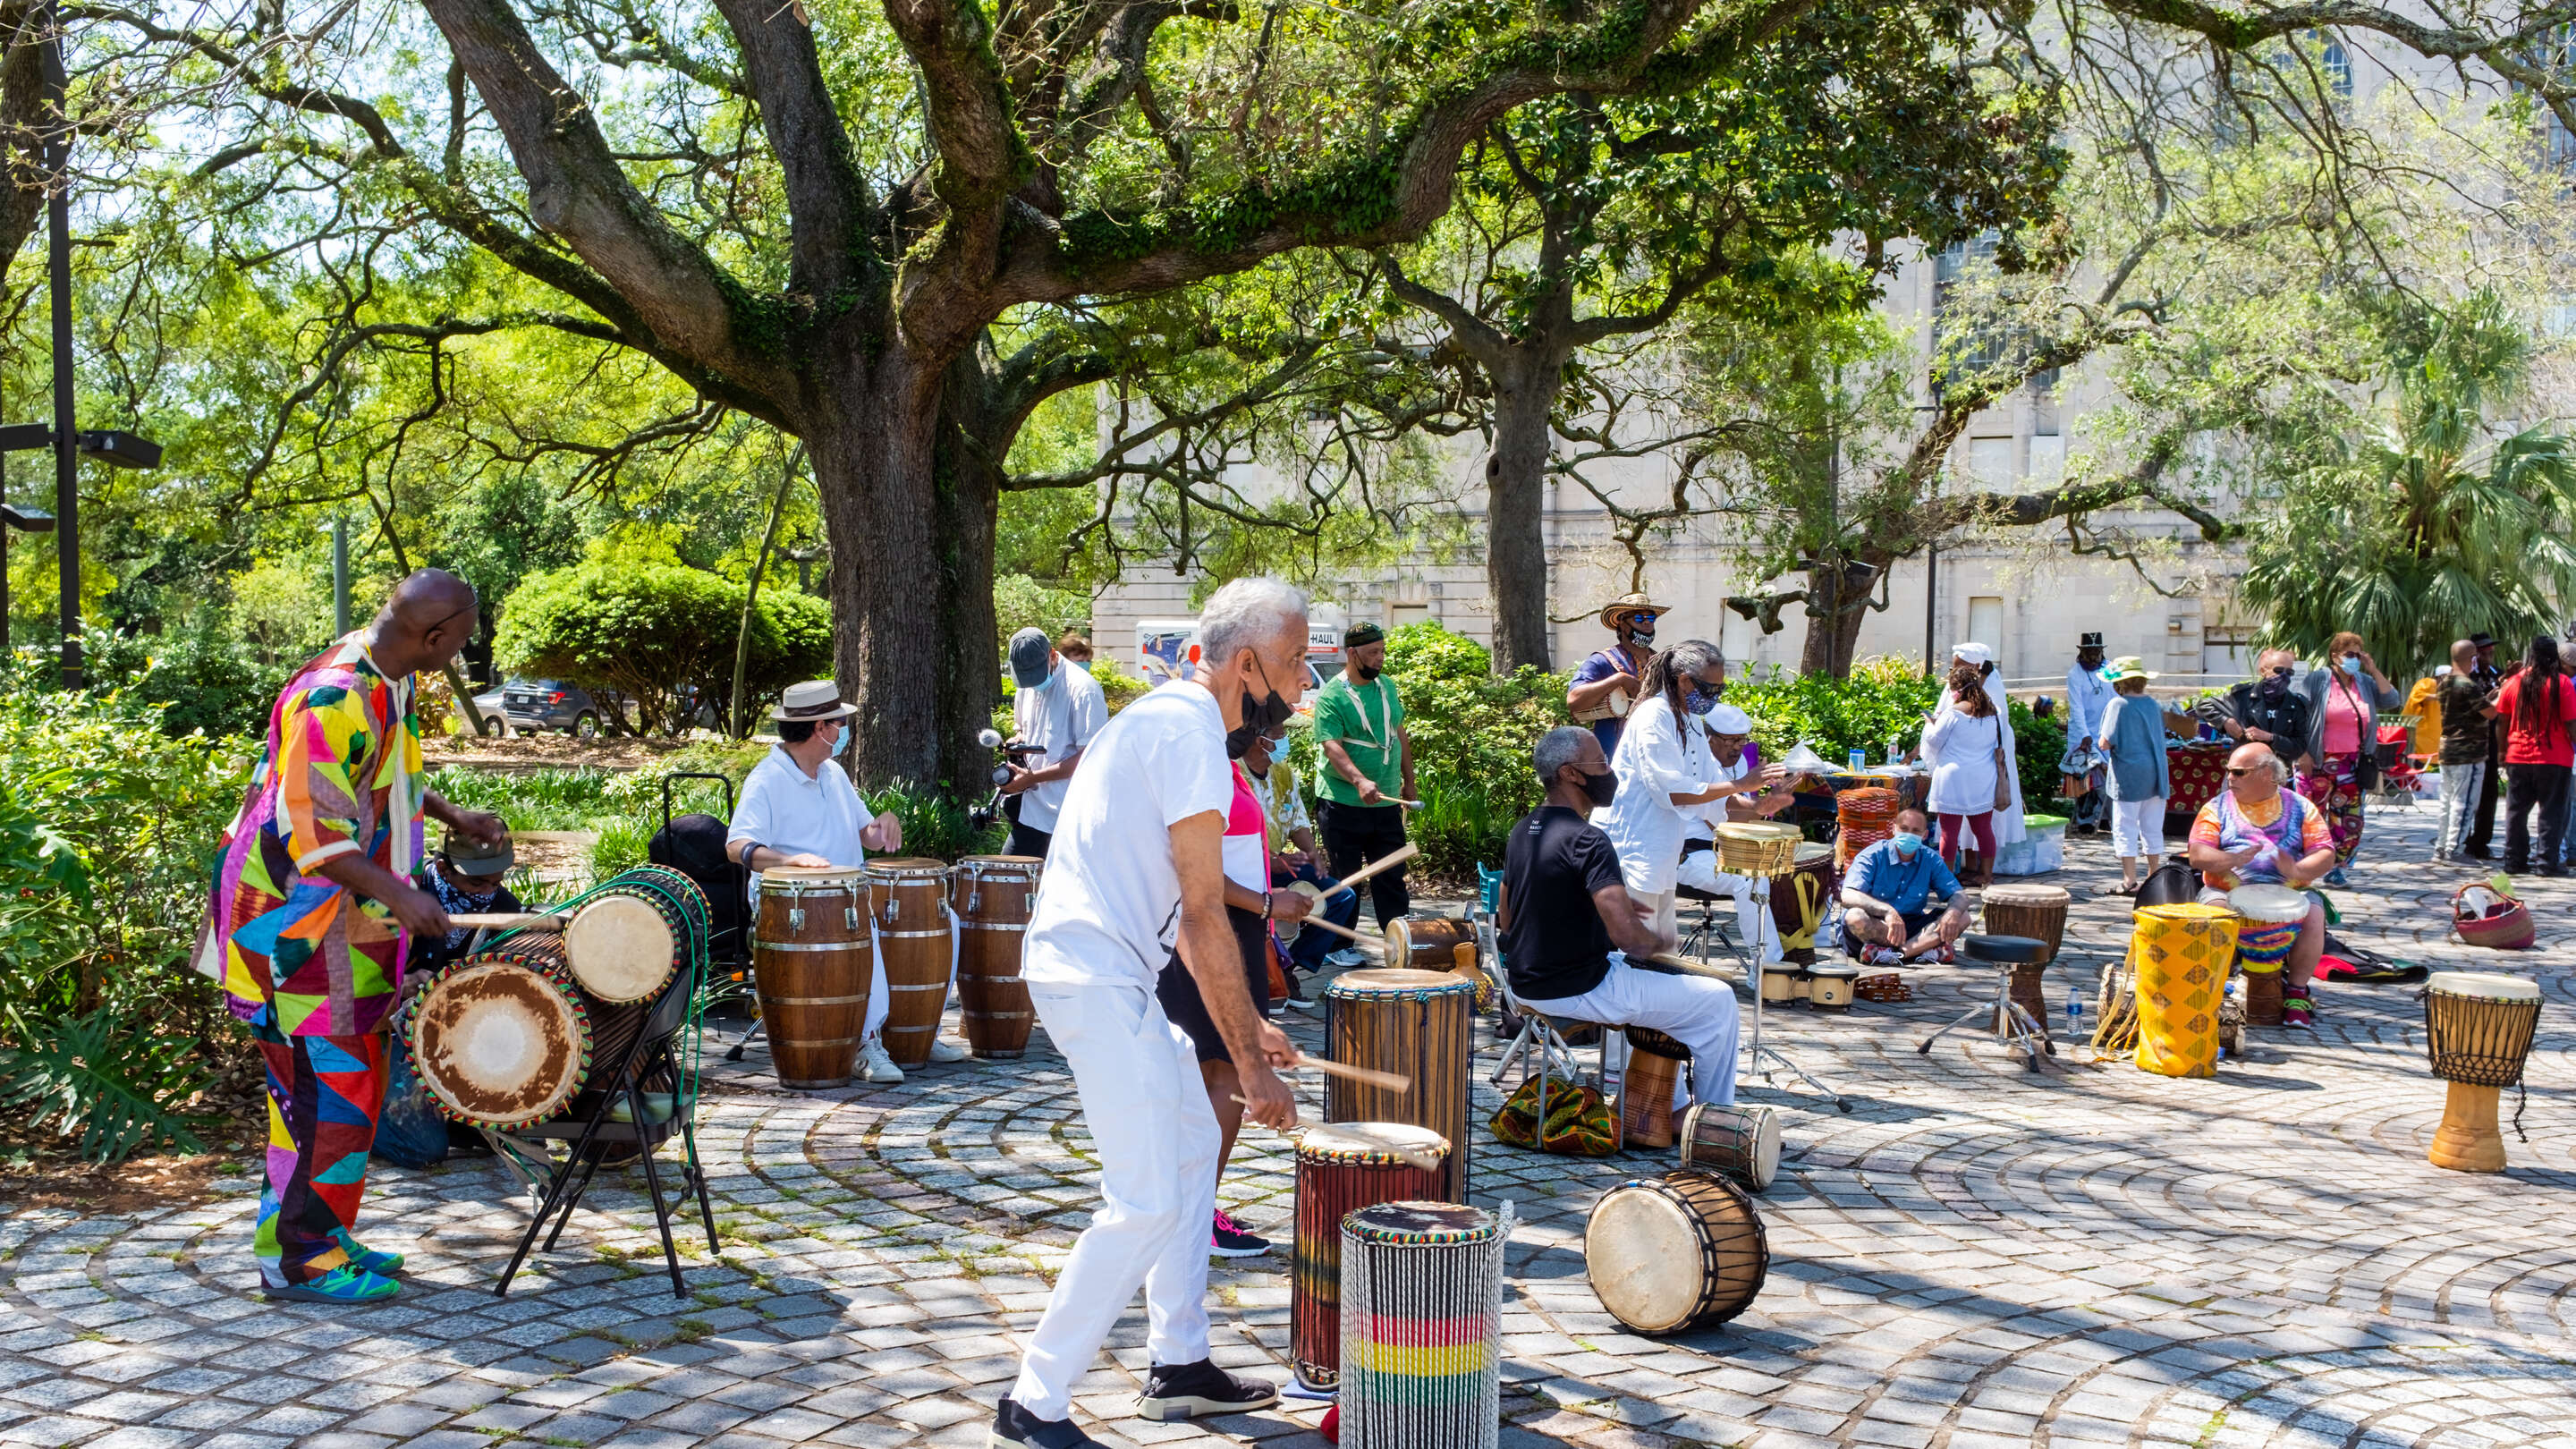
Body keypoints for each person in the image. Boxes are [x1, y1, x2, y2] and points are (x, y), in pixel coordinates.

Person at [993, 578, 1307, 1449]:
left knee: (1194, 1144)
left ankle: (1179, 1364)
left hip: (1111, 973)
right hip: (1094, 978)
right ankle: (1032, 1405)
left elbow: (1175, 905)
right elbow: (1204, 913)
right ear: (1248, 667)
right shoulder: (1189, 734)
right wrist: (1250, 1069)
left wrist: (1250, 1028)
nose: (1302, 683)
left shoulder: (1169, 720)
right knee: (1141, 1201)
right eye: (1294, 662)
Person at [199, 569, 507, 1305]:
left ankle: (324, 1231)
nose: (463, 653)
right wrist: (404, 895)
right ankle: (297, 1258)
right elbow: (314, 835)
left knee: (353, 1086)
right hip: (292, 931)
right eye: (462, 641)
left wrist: (451, 816)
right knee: (323, 1096)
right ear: (434, 635)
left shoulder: (385, 672)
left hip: (346, 922)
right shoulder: (333, 696)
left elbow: (374, 776)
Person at [1500, 726, 1741, 1111]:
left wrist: (1594, 911)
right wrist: (1660, 942)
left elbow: (1508, 916)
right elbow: (1629, 938)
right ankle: (1714, 1120)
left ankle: (1668, 1108)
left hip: (1525, 984)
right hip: (1578, 987)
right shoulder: (1588, 839)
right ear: (1570, 773)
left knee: (1664, 991)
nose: (1610, 771)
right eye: (1601, 762)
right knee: (1717, 1000)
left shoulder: (1524, 830)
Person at [727, 681, 949, 1085]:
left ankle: (917, 1032)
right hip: (795, 904)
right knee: (862, 933)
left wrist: (884, 822)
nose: (845, 729)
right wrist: (789, 860)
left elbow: (868, 836)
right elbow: (737, 846)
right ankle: (866, 1044)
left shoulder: (834, 773)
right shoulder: (767, 780)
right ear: (821, 728)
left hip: (850, 894)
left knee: (947, 921)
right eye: (840, 723)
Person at [1153, 740, 1314, 1259]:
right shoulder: (1201, 763)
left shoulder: (1226, 765)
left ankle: (1191, 1207)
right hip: (1212, 932)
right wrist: (1266, 903)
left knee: (1213, 1073)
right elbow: (1189, 867)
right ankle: (1194, 1215)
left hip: (1233, 927)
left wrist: (1271, 882)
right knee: (1221, 1071)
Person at [1594, 641, 1738, 942]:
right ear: (1684, 681)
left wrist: (1760, 803)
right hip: (1633, 849)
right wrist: (1741, 785)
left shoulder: (1691, 720)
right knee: (1637, 951)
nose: (1716, 697)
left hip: (1662, 852)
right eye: (1711, 689)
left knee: (1660, 951)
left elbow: (1712, 787)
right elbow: (1672, 792)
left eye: (1721, 689)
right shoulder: (1653, 716)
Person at [2187, 744, 2336, 1029]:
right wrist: (2231, 859)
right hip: (2226, 892)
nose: (2230, 778)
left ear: (2266, 773)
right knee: (2216, 911)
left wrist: (2297, 870)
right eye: (2228, 771)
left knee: (2314, 912)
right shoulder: (2217, 807)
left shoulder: (2301, 807)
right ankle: (2214, 990)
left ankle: (2297, 993)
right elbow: (2197, 855)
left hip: (2289, 893)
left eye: (2239, 772)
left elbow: (2325, 854)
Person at [1674, 703, 1794, 964]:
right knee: (1750, 880)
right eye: (1731, 740)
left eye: (1742, 740)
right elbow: (1722, 820)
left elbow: (1739, 818)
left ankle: (1800, 950)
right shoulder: (1694, 762)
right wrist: (1757, 806)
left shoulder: (1738, 762)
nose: (1738, 747)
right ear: (1709, 738)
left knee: (1788, 868)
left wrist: (1769, 803)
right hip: (1688, 854)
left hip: (1722, 848)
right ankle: (1767, 968)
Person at [1241, 725, 1362, 984]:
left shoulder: (1283, 772)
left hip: (1279, 863)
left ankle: (1290, 967)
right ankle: (1270, 973)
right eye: (1279, 735)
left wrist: (1312, 853)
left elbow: (1296, 819)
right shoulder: (1233, 773)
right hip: (1243, 869)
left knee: (1341, 897)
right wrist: (1268, 862)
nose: (1285, 740)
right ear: (1260, 741)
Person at [1312, 622, 1413, 928]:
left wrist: (1409, 780)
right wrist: (1359, 780)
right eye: (1372, 652)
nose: (1380, 658)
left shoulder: (1387, 687)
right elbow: (1331, 745)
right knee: (1347, 879)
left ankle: (1398, 939)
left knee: (1391, 874)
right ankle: (1341, 944)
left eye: (1382, 651)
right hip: (1342, 802)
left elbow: (1398, 732)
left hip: (1385, 800)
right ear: (1352, 654)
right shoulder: (1332, 695)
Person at [2295, 632, 2401, 883]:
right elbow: (2298, 714)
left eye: (2358, 655)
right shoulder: (2318, 679)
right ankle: (2302, 868)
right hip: (2317, 760)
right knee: (2309, 817)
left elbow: (2392, 700)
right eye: (2350, 654)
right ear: (2335, 656)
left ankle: (2337, 869)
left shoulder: (2364, 682)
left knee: (2349, 819)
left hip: (2352, 763)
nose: (2355, 659)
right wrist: (2302, 752)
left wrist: (2373, 669)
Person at [1000, 627, 1109, 860]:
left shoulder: (1083, 690)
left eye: (1036, 676)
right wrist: (1017, 741)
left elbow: (1090, 758)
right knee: (1008, 875)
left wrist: (1032, 778)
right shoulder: (1026, 687)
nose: (1033, 684)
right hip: (1031, 809)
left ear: (1051, 654)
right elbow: (1022, 728)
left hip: (1068, 815)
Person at [1840, 807, 1973, 963]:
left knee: (1962, 916)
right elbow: (1847, 895)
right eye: (1904, 829)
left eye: (1916, 831)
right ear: (1894, 828)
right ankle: (1921, 950)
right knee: (1855, 917)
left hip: (1913, 926)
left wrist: (1952, 913)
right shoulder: (1872, 855)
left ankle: (1899, 954)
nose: (1909, 834)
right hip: (1879, 924)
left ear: (1924, 835)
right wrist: (1887, 911)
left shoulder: (1931, 859)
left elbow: (1959, 895)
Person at [2496, 636, 2576, 877]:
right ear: (2555, 658)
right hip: (2554, 757)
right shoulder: (2562, 684)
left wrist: (2502, 750)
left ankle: (2514, 861)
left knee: (2516, 811)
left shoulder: (2514, 682)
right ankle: (2546, 863)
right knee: (2551, 811)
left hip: (2518, 755)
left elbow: (2502, 720)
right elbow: (2571, 723)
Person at [1922, 659, 2009, 880]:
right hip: (1983, 778)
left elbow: (1934, 741)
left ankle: (1947, 880)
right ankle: (1986, 876)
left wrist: (1929, 723)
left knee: (1949, 832)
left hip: (1953, 778)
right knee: (1983, 829)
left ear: (1957, 690)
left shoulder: (1952, 713)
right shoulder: (1994, 712)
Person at [2097, 657, 2171, 894]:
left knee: (2125, 826)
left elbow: (2105, 742)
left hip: (2129, 774)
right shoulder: (2152, 704)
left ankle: (2129, 880)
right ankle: (2153, 877)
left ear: (2119, 683)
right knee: (2153, 827)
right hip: (2157, 772)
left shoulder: (2118, 704)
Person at [1948, 642, 2026, 860]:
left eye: (1959, 667)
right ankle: (1969, 863)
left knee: (1982, 814)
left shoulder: (1990, 683)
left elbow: (1991, 718)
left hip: (1986, 756)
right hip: (1966, 756)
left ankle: (1983, 866)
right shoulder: (1959, 683)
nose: (1954, 672)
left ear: (1975, 666)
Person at [411, 829, 526, 976]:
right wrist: (402, 980)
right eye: (476, 884)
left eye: (495, 884)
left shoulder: (504, 905)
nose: (487, 893)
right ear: (443, 869)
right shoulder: (405, 893)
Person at [1566, 592, 1667, 754]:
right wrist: (1618, 680)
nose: (1647, 623)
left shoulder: (1663, 663)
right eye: (1639, 618)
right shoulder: (1602, 661)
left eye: (1651, 618)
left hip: (1656, 749)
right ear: (1622, 623)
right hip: (1614, 752)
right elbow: (1574, 700)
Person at [2435, 640, 2500, 863]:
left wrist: (2487, 699)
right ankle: (2455, 849)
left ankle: (2441, 847)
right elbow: (2490, 713)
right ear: (2471, 659)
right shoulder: (2468, 685)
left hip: (2448, 750)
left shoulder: (2445, 682)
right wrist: (2501, 696)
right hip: (2468, 752)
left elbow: (2467, 709)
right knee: (2464, 803)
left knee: (2447, 802)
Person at [2219, 648, 2314, 775]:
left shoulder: (2296, 704)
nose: (2284, 676)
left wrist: (2271, 738)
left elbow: (2299, 746)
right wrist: (2225, 721)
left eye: (2289, 672)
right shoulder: (2242, 696)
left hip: (2277, 773)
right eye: (2279, 670)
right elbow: (2203, 705)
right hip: (2243, 770)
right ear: (2264, 671)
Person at [2063, 632, 2114, 835]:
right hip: (2082, 733)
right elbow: (2076, 708)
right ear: (2082, 652)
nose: (2093, 657)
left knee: (2108, 777)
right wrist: (2085, 735)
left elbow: (2116, 697)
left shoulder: (2111, 670)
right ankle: (2085, 819)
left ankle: (2106, 818)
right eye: (2089, 652)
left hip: (2106, 731)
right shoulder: (2074, 675)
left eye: (2096, 652)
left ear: (2102, 651)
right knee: (2085, 778)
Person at [2464, 632, 2504, 858]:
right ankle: (2463, 837)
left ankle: (2481, 842)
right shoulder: (2466, 677)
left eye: (2490, 651)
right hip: (2470, 741)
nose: (2488, 655)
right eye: (2483, 652)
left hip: (2492, 740)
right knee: (2468, 793)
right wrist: (2488, 698)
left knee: (2489, 793)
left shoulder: (2499, 674)